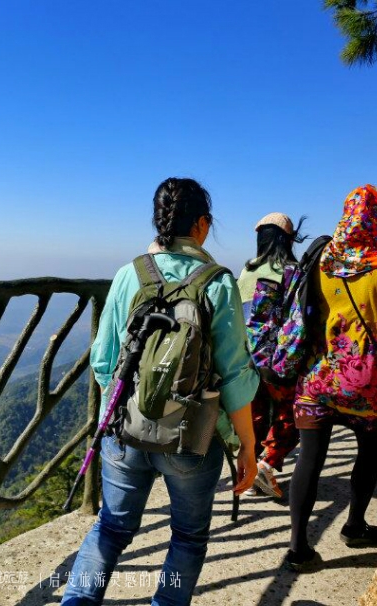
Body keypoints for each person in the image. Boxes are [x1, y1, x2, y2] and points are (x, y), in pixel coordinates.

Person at [60, 177, 259, 605]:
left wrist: (131, 406)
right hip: (191, 438)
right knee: (187, 538)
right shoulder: (219, 283)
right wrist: (247, 444)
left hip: (123, 431)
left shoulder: (128, 275)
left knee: (110, 529)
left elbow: (102, 360)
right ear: (202, 225)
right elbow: (235, 376)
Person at [286, 184, 377, 572]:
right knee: (368, 457)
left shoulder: (320, 259)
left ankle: (299, 549)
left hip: (316, 379)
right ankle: (354, 526)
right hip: (367, 385)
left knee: (309, 461)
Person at [237, 212, 307, 498]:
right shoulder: (293, 270)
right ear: (288, 239)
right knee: (290, 415)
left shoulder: (246, 269)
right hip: (277, 361)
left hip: (245, 358)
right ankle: (266, 466)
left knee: (253, 416)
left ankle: (250, 470)